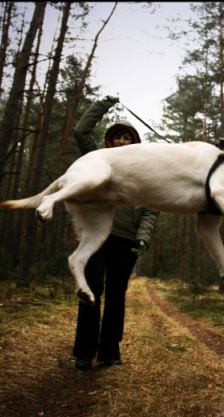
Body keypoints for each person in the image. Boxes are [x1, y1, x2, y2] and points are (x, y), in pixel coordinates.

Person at [72, 95, 159, 371]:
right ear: (111, 142)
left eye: (128, 138)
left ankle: (109, 353)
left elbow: (151, 209)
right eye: (118, 137)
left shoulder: (144, 174)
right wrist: (103, 105)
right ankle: (84, 353)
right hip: (96, 236)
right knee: (91, 290)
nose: (123, 142)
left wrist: (143, 235)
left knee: (116, 295)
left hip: (126, 241)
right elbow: (80, 131)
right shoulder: (97, 160)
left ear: (134, 144)